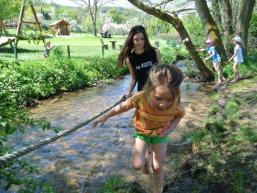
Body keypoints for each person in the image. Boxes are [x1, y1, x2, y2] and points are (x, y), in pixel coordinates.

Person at [93, 64, 185, 193]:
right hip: (143, 133)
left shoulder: (176, 103)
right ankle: (146, 158)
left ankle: (158, 189)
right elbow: (123, 107)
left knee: (158, 167)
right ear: (149, 90)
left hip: (160, 135)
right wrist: (106, 115)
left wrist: (170, 129)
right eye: (158, 98)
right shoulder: (141, 97)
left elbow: (179, 116)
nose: (163, 104)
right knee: (137, 165)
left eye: (168, 99)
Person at [117, 25, 161, 100]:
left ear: (145, 39)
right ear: (132, 40)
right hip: (142, 94)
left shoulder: (155, 52)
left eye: (142, 39)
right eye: (136, 39)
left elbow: (161, 72)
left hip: (157, 93)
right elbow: (134, 79)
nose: (140, 42)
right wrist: (128, 93)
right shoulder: (130, 59)